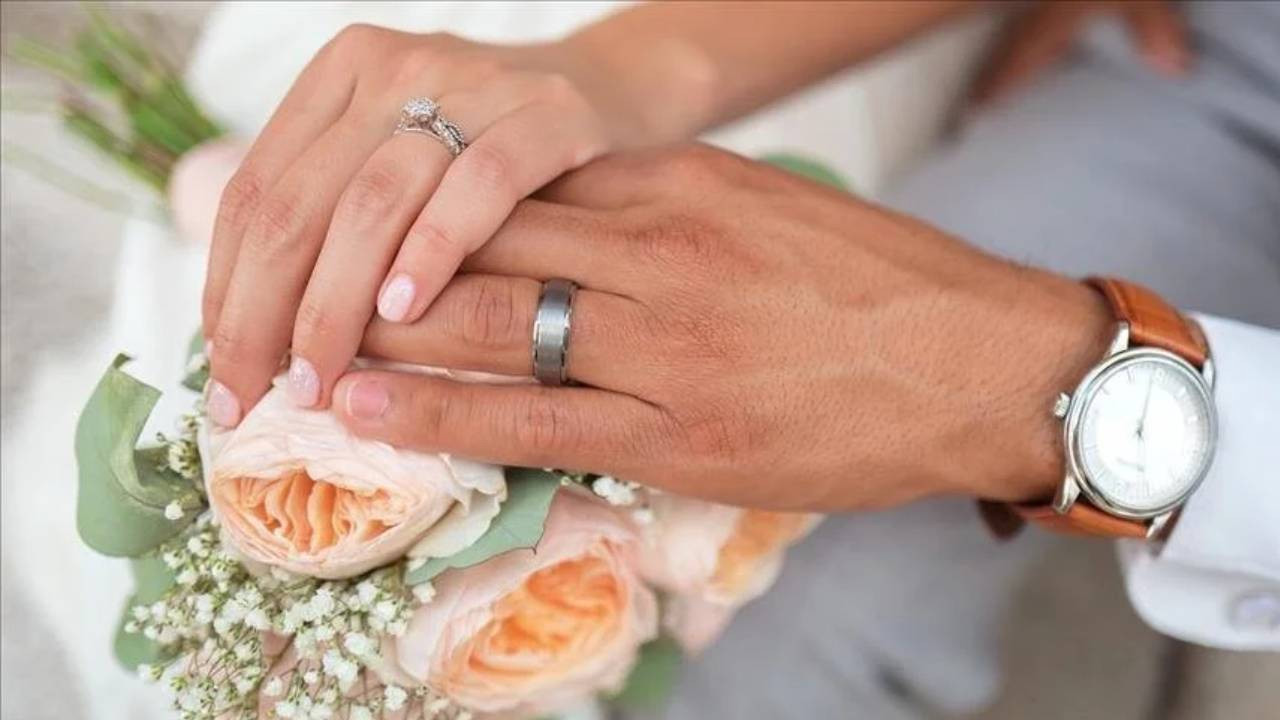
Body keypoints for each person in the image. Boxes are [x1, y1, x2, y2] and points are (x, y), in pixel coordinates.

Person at [200, 1, 1280, 716]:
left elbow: (997, 374)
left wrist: (1034, 379)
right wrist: (622, 70)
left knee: (814, 594)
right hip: (1228, 62)